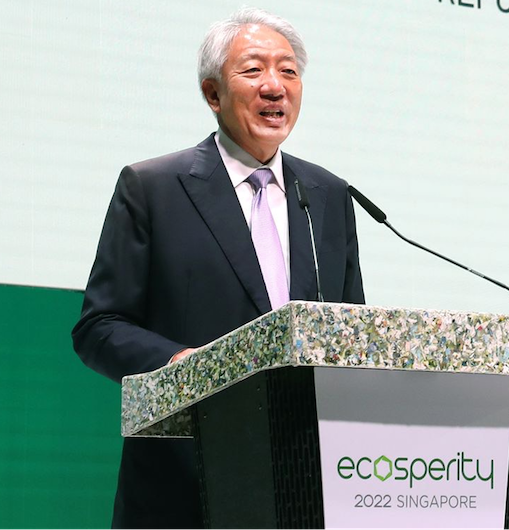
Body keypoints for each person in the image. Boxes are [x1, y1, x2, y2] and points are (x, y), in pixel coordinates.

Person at [70, 7, 364, 528]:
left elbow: (351, 335)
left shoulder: (328, 195)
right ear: (212, 94)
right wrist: (189, 366)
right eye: (253, 70)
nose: (275, 86)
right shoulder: (153, 188)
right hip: (183, 485)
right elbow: (99, 327)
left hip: (300, 485)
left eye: (289, 71)